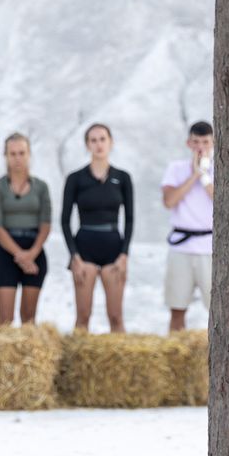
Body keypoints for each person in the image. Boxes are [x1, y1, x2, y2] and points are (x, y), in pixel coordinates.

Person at [61, 123, 133, 332]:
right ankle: (76, 364)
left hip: (114, 248)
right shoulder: (75, 179)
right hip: (84, 250)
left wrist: (124, 254)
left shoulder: (123, 178)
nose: (98, 144)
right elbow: (65, 221)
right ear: (87, 145)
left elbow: (129, 219)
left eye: (102, 139)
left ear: (110, 142)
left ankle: (123, 363)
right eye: (93, 140)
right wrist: (74, 255)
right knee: (83, 315)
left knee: (116, 316)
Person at [0, 133, 51, 327]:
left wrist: (31, 254)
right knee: (5, 318)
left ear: (29, 154)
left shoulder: (41, 187)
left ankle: (29, 358)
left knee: (29, 318)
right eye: (12, 153)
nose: (17, 158)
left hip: (35, 250)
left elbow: (46, 223)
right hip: (8, 252)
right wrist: (20, 256)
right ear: (5, 156)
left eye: (22, 153)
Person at [161, 121, 214, 332]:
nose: (200, 146)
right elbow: (169, 201)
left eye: (205, 142)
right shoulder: (176, 169)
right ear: (188, 143)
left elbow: (221, 202)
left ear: (212, 143)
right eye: (196, 142)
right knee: (177, 307)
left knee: (216, 308)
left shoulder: (221, 168)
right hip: (181, 248)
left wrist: (204, 176)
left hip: (209, 248)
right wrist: (193, 175)